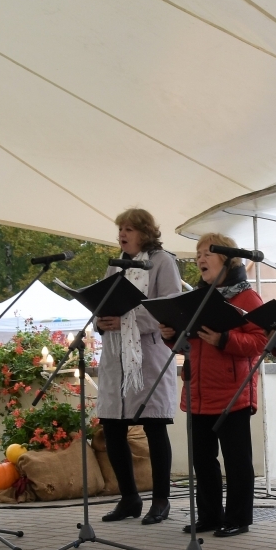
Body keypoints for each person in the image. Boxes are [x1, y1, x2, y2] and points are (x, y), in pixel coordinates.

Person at [157, 233, 267, 538]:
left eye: (208, 252)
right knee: (203, 460)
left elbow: (261, 340)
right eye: (198, 254)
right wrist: (169, 334)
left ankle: (238, 518)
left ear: (228, 259)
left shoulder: (247, 298)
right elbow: (185, 345)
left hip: (234, 393)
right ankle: (208, 515)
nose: (201, 259)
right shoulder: (195, 298)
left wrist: (224, 339)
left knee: (236, 461)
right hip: (198, 392)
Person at [95, 208, 182, 524]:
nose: (123, 234)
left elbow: (169, 307)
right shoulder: (115, 264)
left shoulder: (162, 262)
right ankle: (129, 498)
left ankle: (160, 499)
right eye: (120, 228)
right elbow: (103, 301)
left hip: (149, 357)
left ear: (145, 232)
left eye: (129, 228)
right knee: (112, 426)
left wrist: (126, 321)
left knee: (154, 426)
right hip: (115, 357)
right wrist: (101, 319)